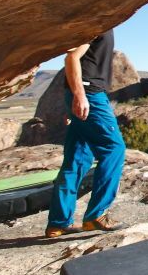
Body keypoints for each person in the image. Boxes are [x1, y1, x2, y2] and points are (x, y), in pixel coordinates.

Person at [45, 29, 126, 237]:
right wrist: (79, 95)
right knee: (114, 149)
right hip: (90, 93)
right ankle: (97, 215)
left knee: (77, 158)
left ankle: (58, 222)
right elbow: (72, 57)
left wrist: (72, 99)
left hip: (83, 93)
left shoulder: (104, 24)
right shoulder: (97, 25)